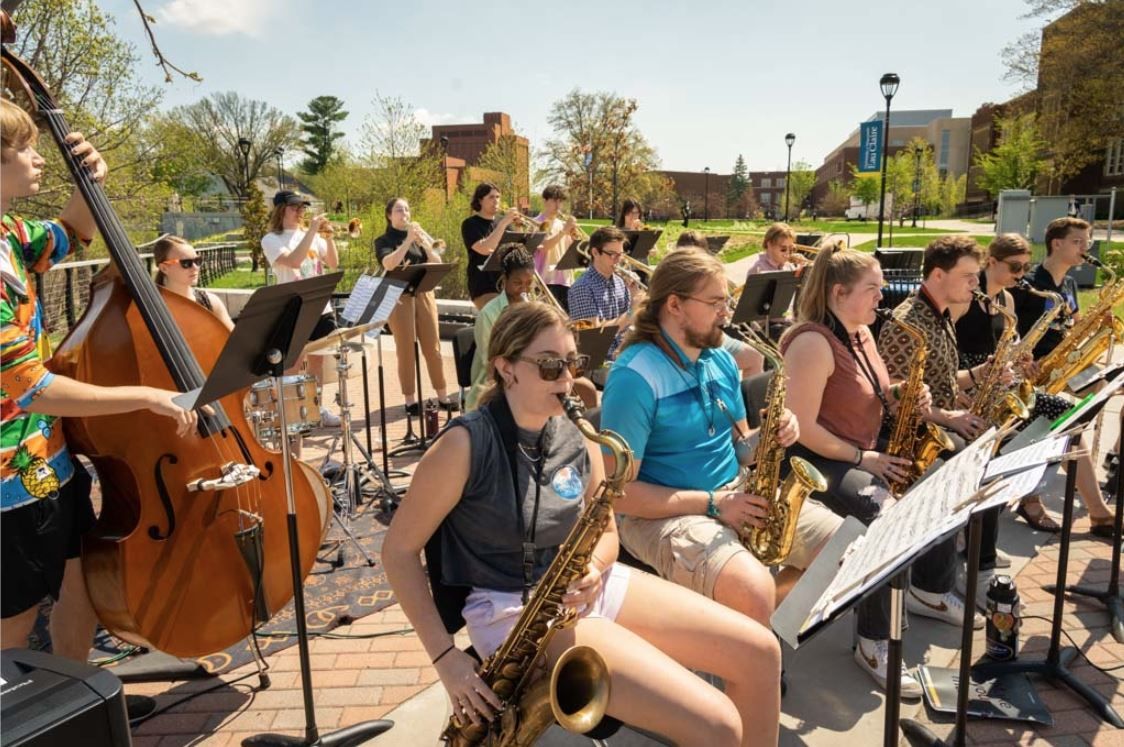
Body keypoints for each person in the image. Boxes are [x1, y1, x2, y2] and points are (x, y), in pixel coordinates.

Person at [382, 302, 782, 746]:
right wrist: (445, 659)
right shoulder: (464, 444)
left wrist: (593, 566)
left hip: (586, 588)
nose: (568, 380)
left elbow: (607, 530)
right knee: (718, 724)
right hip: (513, 610)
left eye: (573, 364)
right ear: (506, 367)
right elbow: (397, 553)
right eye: (551, 366)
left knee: (761, 653)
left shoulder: (576, 432)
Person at [1, 99, 198, 668]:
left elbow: (71, 232)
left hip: (50, 458)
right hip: (7, 479)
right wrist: (147, 396)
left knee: (79, 582)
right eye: (25, 149)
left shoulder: (12, 233)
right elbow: (31, 387)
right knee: (14, 617)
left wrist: (91, 180)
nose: (41, 159)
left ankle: (81, 700)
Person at [599, 250, 843, 635]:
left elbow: (740, 449)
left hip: (732, 492)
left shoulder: (721, 361)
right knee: (751, 588)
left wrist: (773, 434)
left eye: (725, 301)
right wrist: (715, 504)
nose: (727, 312)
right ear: (675, 305)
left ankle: (743, 632)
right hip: (660, 513)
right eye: (715, 302)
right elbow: (618, 495)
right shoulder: (635, 377)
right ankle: (746, 644)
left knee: (845, 548)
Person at [780, 246, 977, 694]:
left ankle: (929, 588)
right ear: (838, 293)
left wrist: (910, 394)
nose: (882, 296)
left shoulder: (862, 333)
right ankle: (873, 642)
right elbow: (803, 428)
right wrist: (861, 458)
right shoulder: (812, 343)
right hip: (818, 461)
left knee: (940, 483)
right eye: (873, 288)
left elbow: (879, 393)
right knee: (887, 518)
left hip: (858, 451)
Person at [1008, 220, 1116, 537]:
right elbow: (1013, 336)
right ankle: (1084, 504)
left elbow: (1076, 323)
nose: (1086, 249)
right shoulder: (1030, 285)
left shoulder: (1068, 285)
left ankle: (1099, 476)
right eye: (1078, 242)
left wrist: (1099, 324)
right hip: (1034, 375)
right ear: (1057, 243)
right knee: (1070, 427)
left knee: (1103, 398)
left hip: (1064, 369)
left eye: (1088, 242)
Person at [260, 190, 341, 429]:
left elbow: (333, 263)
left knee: (318, 363)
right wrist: (313, 232)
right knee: (293, 364)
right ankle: (294, 413)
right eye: (295, 207)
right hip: (293, 309)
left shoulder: (311, 235)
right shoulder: (272, 239)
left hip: (320, 307)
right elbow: (294, 261)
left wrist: (328, 237)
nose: (300, 212)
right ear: (281, 210)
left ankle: (316, 407)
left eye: (302, 208)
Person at [374, 197, 456, 416]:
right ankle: (410, 399)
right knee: (406, 349)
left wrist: (425, 245)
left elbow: (436, 263)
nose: (405, 214)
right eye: (399, 210)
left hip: (424, 294)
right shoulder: (383, 240)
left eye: (407, 210)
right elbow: (389, 263)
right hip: (399, 299)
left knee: (433, 347)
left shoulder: (418, 238)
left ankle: (442, 394)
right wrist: (407, 241)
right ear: (389, 215)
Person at [465, 245, 535, 411]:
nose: (524, 289)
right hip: (492, 389)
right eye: (517, 283)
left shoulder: (533, 308)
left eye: (529, 283)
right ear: (504, 279)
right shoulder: (488, 314)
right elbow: (492, 365)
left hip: (525, 381)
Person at [152, 235, 234, 331]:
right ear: (164, 268)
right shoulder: (151, 307)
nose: (195, 268)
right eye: (186, 263)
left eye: (197, 261)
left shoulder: (211, 302)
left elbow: (234, 340)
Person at [462, 182, 522, 310]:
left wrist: (518, 228)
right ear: (480, 200)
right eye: (491, 197)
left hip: (506, 283)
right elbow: (484, 249)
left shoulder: (502, 222)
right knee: (499, 319)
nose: (496, 201)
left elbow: (517, 249)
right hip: (484, 285)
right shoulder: (470, 224)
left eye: (498, 197)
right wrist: (505, 222)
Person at [532, 184, 578, 313]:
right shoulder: (536, 222)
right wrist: (564, 231)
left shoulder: (563, 224)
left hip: (565, 280)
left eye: (560, 201)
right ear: (545, 201)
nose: (558, 205)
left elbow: (573, 252)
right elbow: (544, 247)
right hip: (544, 279)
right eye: (554, 200)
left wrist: (574, 238)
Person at [743, 223, 809, 277]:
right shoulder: (758, 270)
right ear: (769, 245)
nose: (788, 253)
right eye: (783, 249)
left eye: (791, 249)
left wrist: (803, 269)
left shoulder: (789, 266)